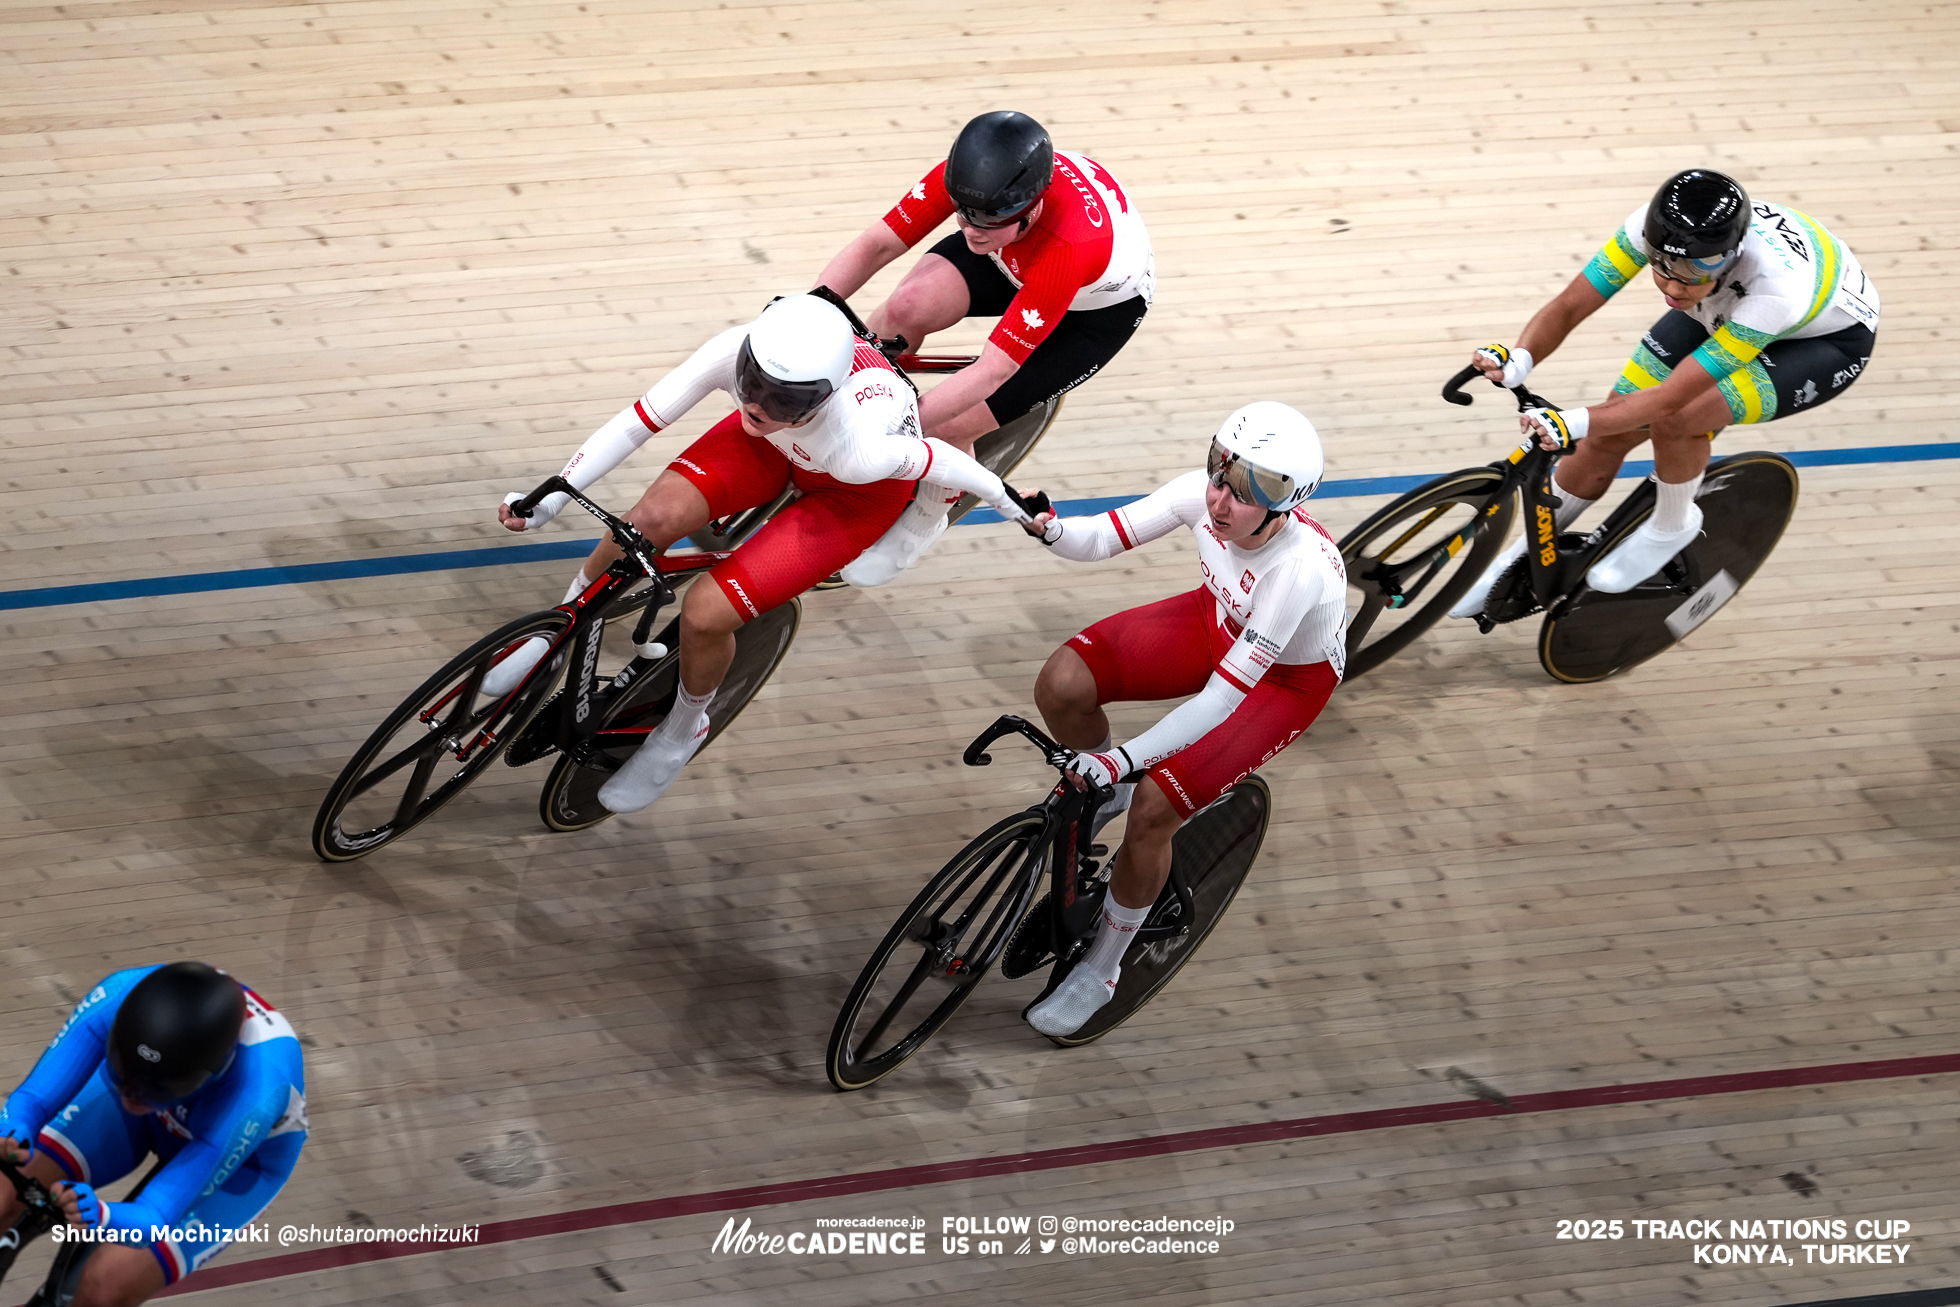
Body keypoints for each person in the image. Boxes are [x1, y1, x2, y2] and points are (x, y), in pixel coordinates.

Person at [490, 293, 1034, 814]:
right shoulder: (743, 359)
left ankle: (683, 730)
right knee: (646, 521)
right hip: (776, 444)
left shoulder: (863, 447)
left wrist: (1000, 507)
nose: (756, 404)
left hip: (849, 496)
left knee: (704, 616)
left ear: (822, 395)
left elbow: (948, 463)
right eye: (753, 384)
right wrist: (552, 495)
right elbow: (639, 420)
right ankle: (554, 636)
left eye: (783, 398)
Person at [1014, 402, 1346, 1037]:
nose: (1220, 503)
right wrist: (1049, 527)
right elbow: (1102, 538)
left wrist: (1122, 760)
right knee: (1061, 683)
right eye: (1219, 478)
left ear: (1283, 506)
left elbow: (1221, 703)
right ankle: (1109, 791)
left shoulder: (1298, 572)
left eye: (1242, 496)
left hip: (1280, 682)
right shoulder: (1203, 498)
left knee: (1153, 811)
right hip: (1214, 619)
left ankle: (1103, 969)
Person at [1452, 168, 1879, 615]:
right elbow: (1570, 304)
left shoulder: (1775, 290)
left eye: (1693, 273)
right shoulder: (1652, 230)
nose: (1674, 287)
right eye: (1664, 268)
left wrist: (1569, 422)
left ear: (1729, 255)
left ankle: (1671, 525)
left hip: (1821, 343)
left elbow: (1671, 398)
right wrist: (1522, 358)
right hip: (1720, 307)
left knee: (1678, 420)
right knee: (1607, 435)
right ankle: (1519, 559)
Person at [815, 110, 1155, 586]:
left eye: (985, 220)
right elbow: (877, 245)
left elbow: (992, 371)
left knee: (954, 420)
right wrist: (812, 312)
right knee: (904, 309)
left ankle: (926, 518)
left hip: (1090, 310)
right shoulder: (978, 192)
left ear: (1031, 208)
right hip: (1013, 253)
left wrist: (893, 424)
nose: (968, 228)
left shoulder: (1067, 243)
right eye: (961, 214)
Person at [0, 962, 307, 1303]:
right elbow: (29, 1101)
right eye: (121, 1070)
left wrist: (101, 1215)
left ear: (213, 1072)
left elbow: (155, 1217)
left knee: (105, 1286)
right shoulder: (119, 993)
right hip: (168, 1109)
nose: (133, 1098)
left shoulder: (256, 1092)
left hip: (239, 1156)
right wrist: (15, 1127)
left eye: (155, 1088)